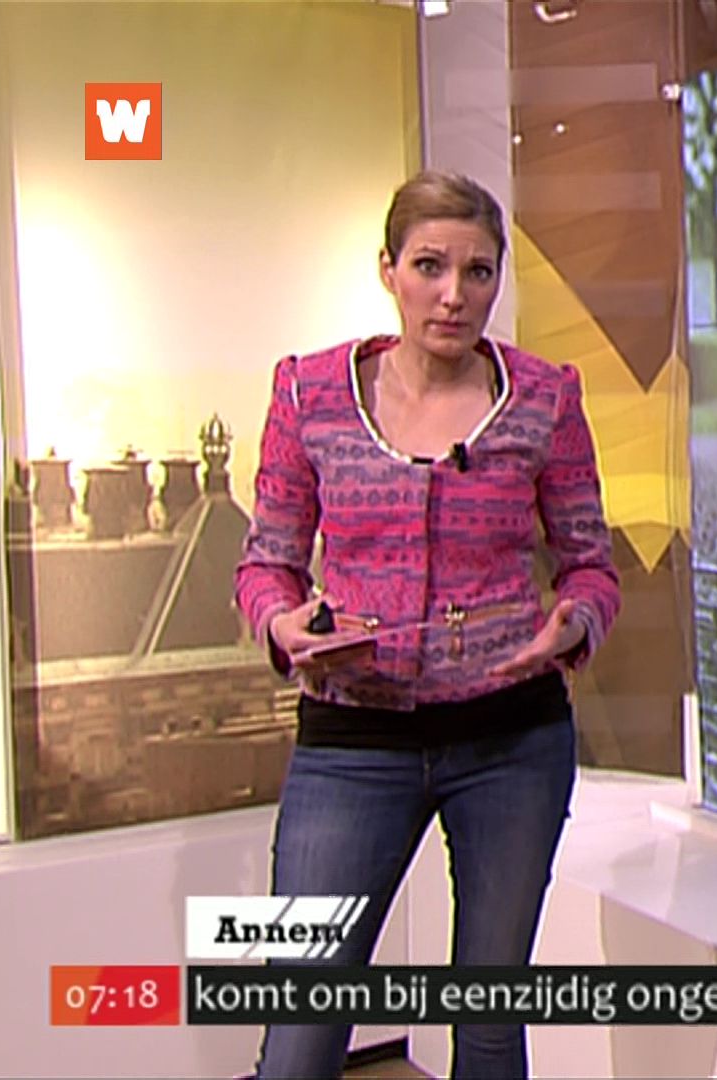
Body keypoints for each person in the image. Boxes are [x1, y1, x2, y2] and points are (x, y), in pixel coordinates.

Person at [234, 170, 620, 1079]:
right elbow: (266, 564)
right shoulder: (308, 394)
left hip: (512, 742)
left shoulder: (546, 398)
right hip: (351, 743)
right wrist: (282, 624)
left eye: (478, 273)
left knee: (487, 1023)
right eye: (430, 267)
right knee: (300, 1032)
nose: (454, 295)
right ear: (388, 270)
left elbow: (591, 566)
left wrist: (574, 625)